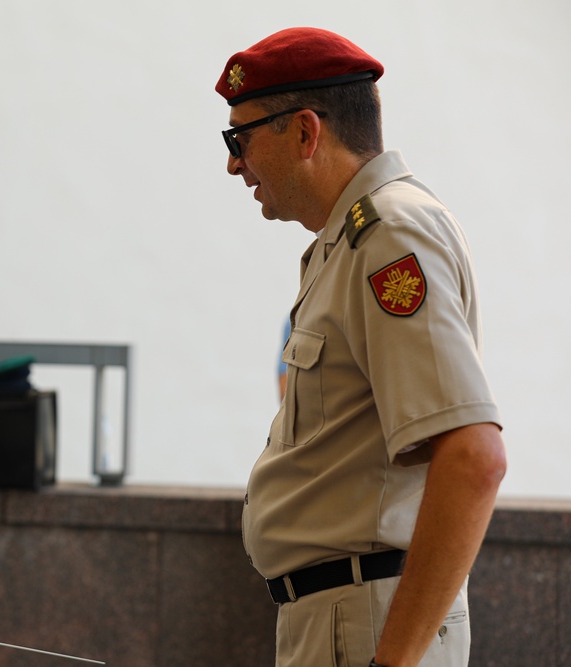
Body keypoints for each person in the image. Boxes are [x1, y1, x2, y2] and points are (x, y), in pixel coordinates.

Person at [215, 28, 507, 666]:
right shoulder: (350, 238)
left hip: (369, 621)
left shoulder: (388, 235)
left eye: (241, 138)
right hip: (348, 614)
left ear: (305, 132)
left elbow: (473, 457)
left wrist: (392, 662)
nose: (234, 164)